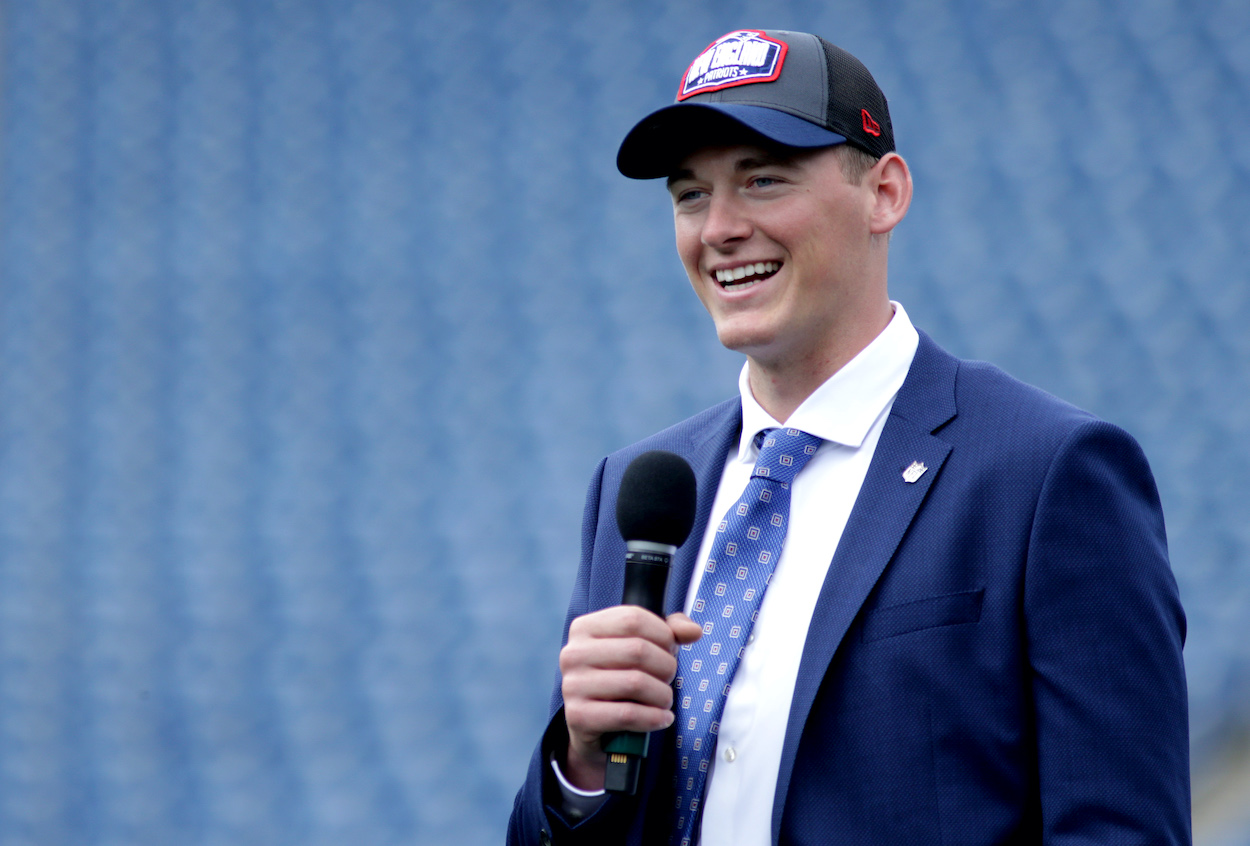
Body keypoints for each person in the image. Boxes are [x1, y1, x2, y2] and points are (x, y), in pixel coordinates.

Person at [508, 28, 1189, 846]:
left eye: (762, 181)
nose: (718, 228)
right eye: (689, 195)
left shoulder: (1047, 472)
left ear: (886, 193)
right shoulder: (639, 488)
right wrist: (577, 765)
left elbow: (1121, 830)